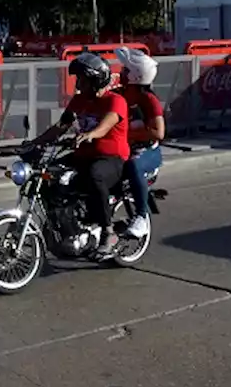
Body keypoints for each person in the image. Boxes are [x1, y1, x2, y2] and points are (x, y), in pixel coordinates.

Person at [28, 52, 130, 256]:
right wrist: (34, 143)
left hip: (110, 158)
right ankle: (63, 226)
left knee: (95, 175)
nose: (78, 84)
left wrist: (91, 134)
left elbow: (106, 125)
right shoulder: (79, 100)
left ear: (96, 80)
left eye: (82, 79)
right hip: (82, 155)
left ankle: (108, 233)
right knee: (47, 175)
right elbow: (60, 126)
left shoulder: (115, 101)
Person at [115, 47, 164, 239]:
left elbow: (158, 132)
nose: (121, 73)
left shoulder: (149, 100)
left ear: (135, 75)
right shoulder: (121, 94)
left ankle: (141, 216)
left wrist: (129, 133)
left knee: (133, 164)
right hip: (124, 147)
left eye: (125, 70)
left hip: (147, 152)